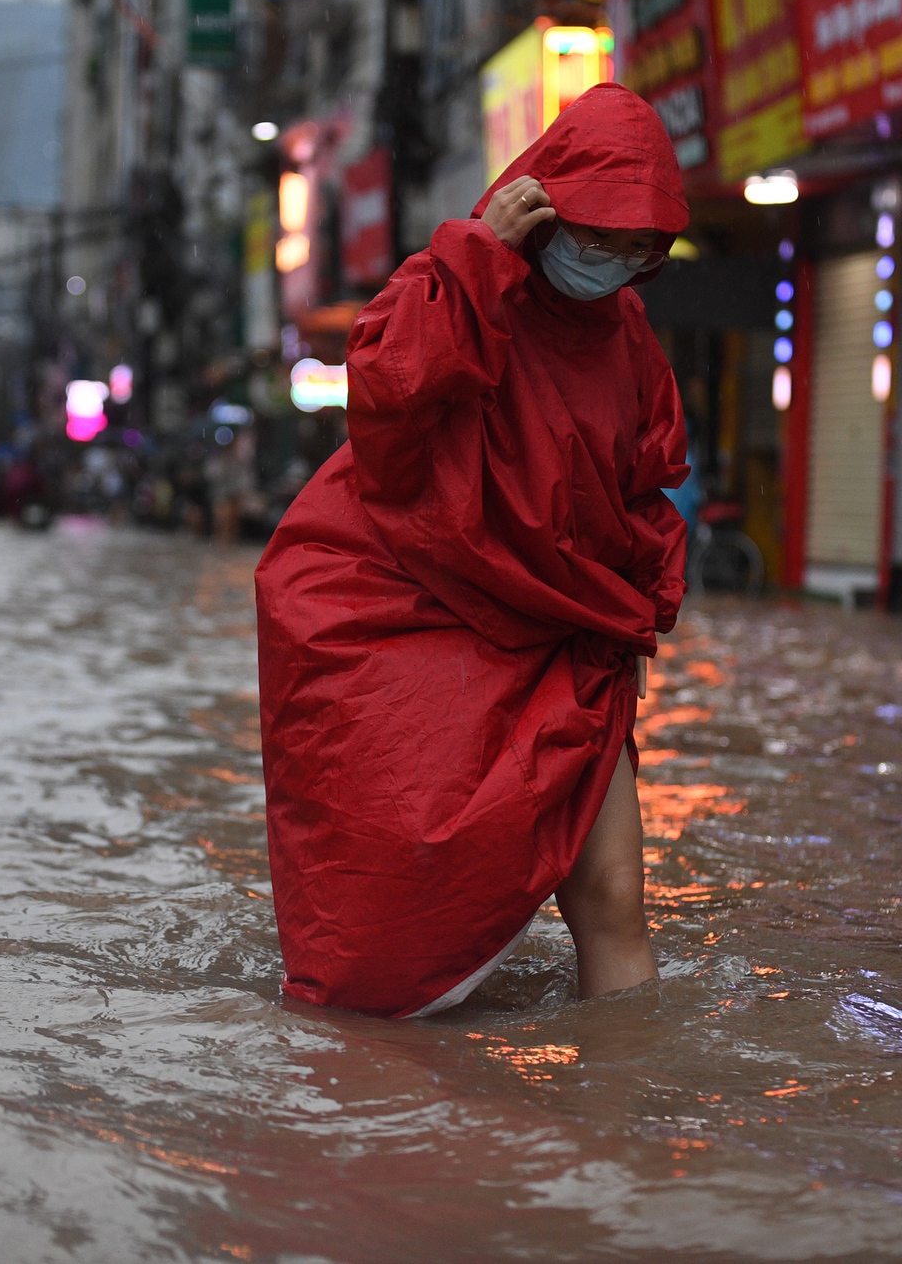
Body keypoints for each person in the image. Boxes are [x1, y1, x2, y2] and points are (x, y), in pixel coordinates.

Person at [253, 83, 690, 1018]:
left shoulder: (629, 335)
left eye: (637, 247)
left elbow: (645, 487)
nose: (613, 261)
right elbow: (387, 397)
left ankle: (628, 1103)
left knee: (616, 901)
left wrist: (637, 620)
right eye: (597, 236)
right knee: (401, 882)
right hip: (428, 613)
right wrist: (476, 260)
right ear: (545, 210)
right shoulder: (454, 279)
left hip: (568, 639)